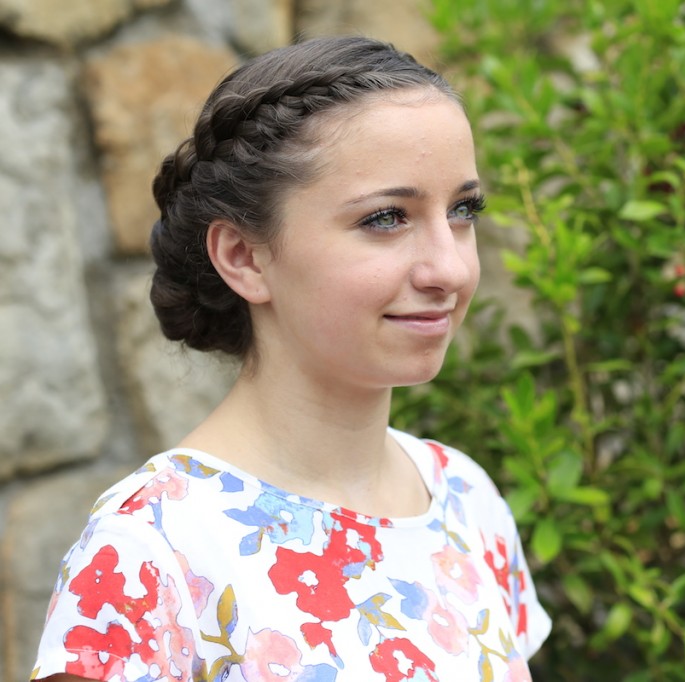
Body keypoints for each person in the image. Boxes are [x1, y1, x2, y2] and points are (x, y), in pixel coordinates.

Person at [31, 35, 551, 682]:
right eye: (387, 218)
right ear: (244, 257)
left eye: (463, 210)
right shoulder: (153, 548)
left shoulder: (464, 499)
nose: (449, 266)